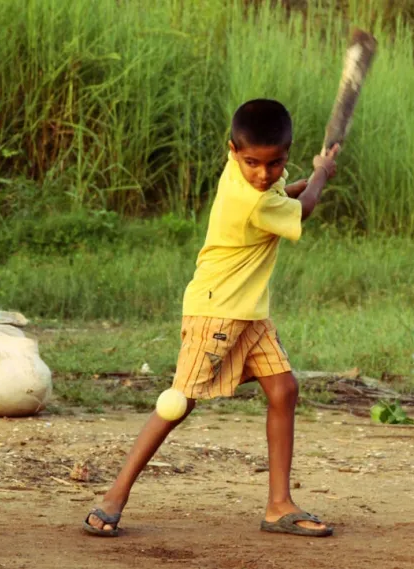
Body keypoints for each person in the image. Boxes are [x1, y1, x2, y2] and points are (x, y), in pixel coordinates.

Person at [82, 99, 340, 538]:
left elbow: (282, 194)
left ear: (284, 154)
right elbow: (305, 208)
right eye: (253, 163)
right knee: (179, 402)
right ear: (233, 151)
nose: (264, 174)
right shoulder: (253, 200)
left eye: (275, 164)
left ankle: (279, 506)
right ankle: (113, 498)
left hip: (248, 313)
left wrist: (300, 180)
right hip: (216, 312)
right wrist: (321, 174)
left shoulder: (241, 175)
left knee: (283, 389)